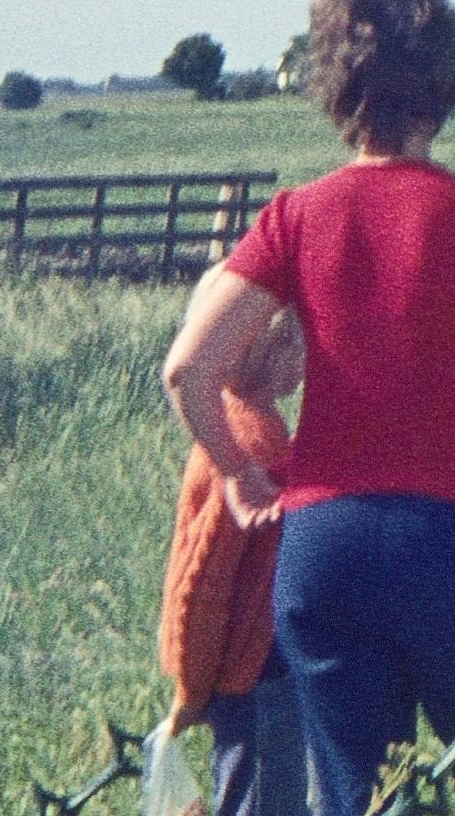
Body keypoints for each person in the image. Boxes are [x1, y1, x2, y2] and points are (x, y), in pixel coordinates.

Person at [162, 0, 455, 816]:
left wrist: (239, 470)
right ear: (445, 87)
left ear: (335, 90)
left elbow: (189, 367)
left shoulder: (293, 217)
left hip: (326, 549)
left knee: (358, 797)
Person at [157, 262, 309, 816]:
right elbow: (204, 586)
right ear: (279, 354)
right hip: (251, 679)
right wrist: (192, 692)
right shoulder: (249, 447)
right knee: (263, 800)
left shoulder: (238, 428)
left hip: (250, 674)